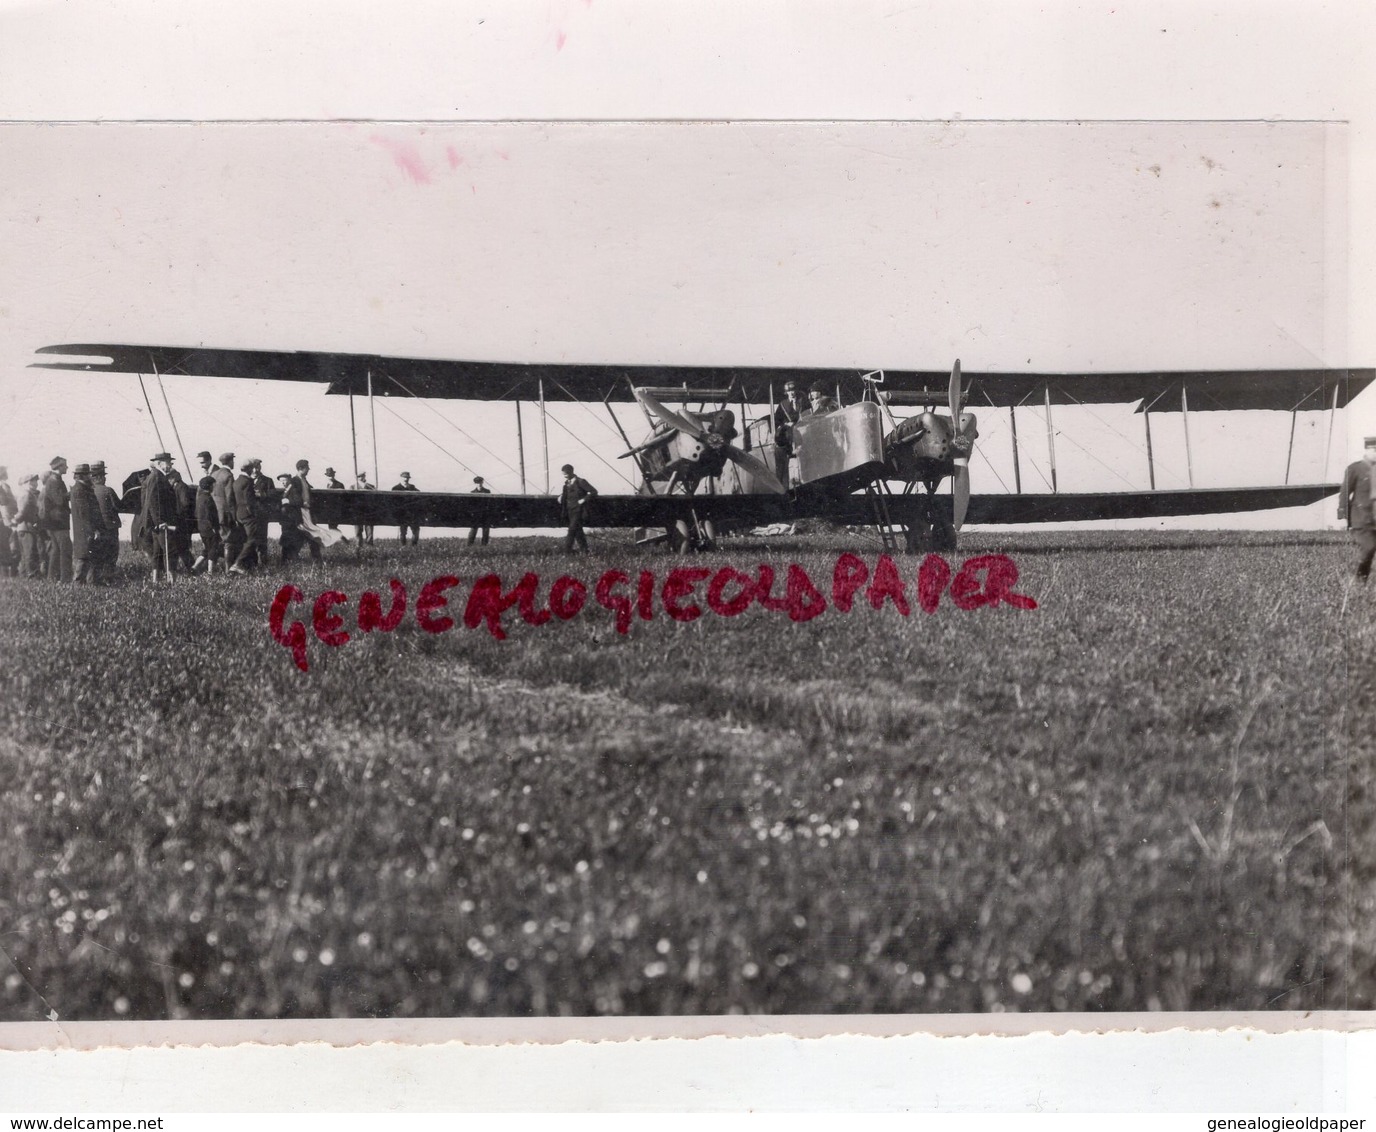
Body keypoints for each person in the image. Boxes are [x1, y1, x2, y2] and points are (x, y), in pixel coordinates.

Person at [131, 452, 179, 581]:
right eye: (168, 462)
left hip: (155, 523)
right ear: (159, 463)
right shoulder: (157, 477)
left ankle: (156, 580)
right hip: (161, 523)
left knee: (157, 552)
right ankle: (171, 582)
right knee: (170, 550)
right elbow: (153, 501)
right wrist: (160, 521)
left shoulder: (155, 476)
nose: (170, 464)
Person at [1339, 436, 1376, 583]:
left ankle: (1362, 581)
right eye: (1374, 450)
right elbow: (1345, 493)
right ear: (1366, 450)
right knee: (1369, 548)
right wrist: (1344, 516)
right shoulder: (1355, 468)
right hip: (1361, 518)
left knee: (1370, 551)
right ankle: (1358, 580)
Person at [229, 458, 268, 574]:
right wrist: (253, 512)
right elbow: (249, 500)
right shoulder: (248, 481)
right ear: (249, 469)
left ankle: (248, 565)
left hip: (239, 514)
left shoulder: (236, 481)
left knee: (246, 539)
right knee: (253, 539)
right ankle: (237, 563)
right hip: (248, 515)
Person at [40, 456, 73, 582]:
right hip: (59, 523)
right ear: (59, 467)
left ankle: (52, 578)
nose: (67, 467)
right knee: (65, 551)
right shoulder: (54, 481)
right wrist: (71, 493)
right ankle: (65, 579)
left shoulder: (54, 480)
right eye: (65, 465)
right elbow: (59, 500)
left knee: (56, 551)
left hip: (56, 522)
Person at [90, 462, 123, 582]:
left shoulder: (89, 491)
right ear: (99, 477)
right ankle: (109, 578)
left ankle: (96, 579)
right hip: (110, 527)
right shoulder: (108, 490)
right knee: (111, 554)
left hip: (97, 528)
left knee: (98, 554)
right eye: (103, 476)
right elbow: (118, 506)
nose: (105, 478)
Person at [69, 464, 100, 584]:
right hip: (84, 529)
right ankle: (78, 583)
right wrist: (92, 530)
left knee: (86, 556)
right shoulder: (80, 490)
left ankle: (86, 583)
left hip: (83, 529)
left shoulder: (81, 488)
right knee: (83, 556)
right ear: (83, 475)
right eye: (89, 474)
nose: (91, 476)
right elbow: (84, 513)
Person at [558, 463, 597, 553]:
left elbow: (593, 492)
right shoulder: (566, 484)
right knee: (578, 530)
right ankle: (584, 550)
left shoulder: (581, 481)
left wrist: (583, 500)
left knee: (572, 530)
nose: (565, 476)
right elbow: (567, 494)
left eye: (566, 474)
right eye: (563, 474)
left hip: (579, 510)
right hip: (569, 510)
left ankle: (567, 551)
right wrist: (561, 496)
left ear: (571, 472)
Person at [166, 467, 197, 573]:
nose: (168, 481)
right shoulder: (178, 487)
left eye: (169, 478)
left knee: (181, 547)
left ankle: (193, 568)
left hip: (182, 522)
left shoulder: (181, 487)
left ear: (174, 477)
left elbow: (185, 504)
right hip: (181, 521)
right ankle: (192, 568)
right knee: (181, 547)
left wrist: (177, 515)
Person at [14, 474, 45, 578]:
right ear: (26, 483)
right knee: (29, 553)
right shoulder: (26, 494)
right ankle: (31, 576)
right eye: (32, 481)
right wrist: (15, 520)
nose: (35, 484)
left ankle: (24, 576)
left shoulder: (28, 494)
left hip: (26, 527)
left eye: (36, 481)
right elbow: (23, 511)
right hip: (26, 527)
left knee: (27, 554)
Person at [192, 475, 223, 574]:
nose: (214, 487)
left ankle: (194, 567)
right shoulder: (209, 498)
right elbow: (211, 515)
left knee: (206, 549)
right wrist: (214, 527)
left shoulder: (200, 498)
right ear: (210, 486)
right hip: (210, 528)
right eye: (213, 485)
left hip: (202, 527)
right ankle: (210, 572)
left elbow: (197, 513)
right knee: (213, 550)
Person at [392, 471, 420, 545]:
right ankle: (403, 546)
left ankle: (414, 545)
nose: (405, 479)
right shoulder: (395, 488)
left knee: (415, 530)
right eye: (404, 477)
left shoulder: (413, 488)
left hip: (411, 513)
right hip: (402, 513)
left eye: (407, 478)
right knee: (403, 531)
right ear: (401, 478)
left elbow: (419, 495)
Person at [0, 466, 17, 577]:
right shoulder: (3, 486)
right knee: (4, 547)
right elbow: (4, 503)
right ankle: (5, 575)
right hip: (4, 520)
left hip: (4, 519)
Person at [467, 475, 492, 546]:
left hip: (485, 513)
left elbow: (489, 503)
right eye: (477, 483)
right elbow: (471, 504)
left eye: (480, 482)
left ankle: (484, 545)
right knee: (473, 530)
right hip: (476, 514)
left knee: (486, 530)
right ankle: (469, 545)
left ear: (482, 482)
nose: (479, 484)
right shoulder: (472, 493)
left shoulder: (487, 491)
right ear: (475, 484)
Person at [354, 471, 375, 545]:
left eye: (362, 476)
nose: (361, 478)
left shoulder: (371, 487)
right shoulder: (353, 487)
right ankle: (359, 546)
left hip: (368, 511)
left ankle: (369, 546)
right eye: (359, 476)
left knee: (369, 530)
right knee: (358, 530)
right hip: (357, 511)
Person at [323, 466, 344, 533]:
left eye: (331, 475)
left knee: (332, 528)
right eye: (329, 475)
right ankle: (343, 539)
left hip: (336, 509)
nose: (330, 477)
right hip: (328, 510)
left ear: (334, 475)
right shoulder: (326, 485)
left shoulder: (339, 484)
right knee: (331, 528)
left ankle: (344, 539)